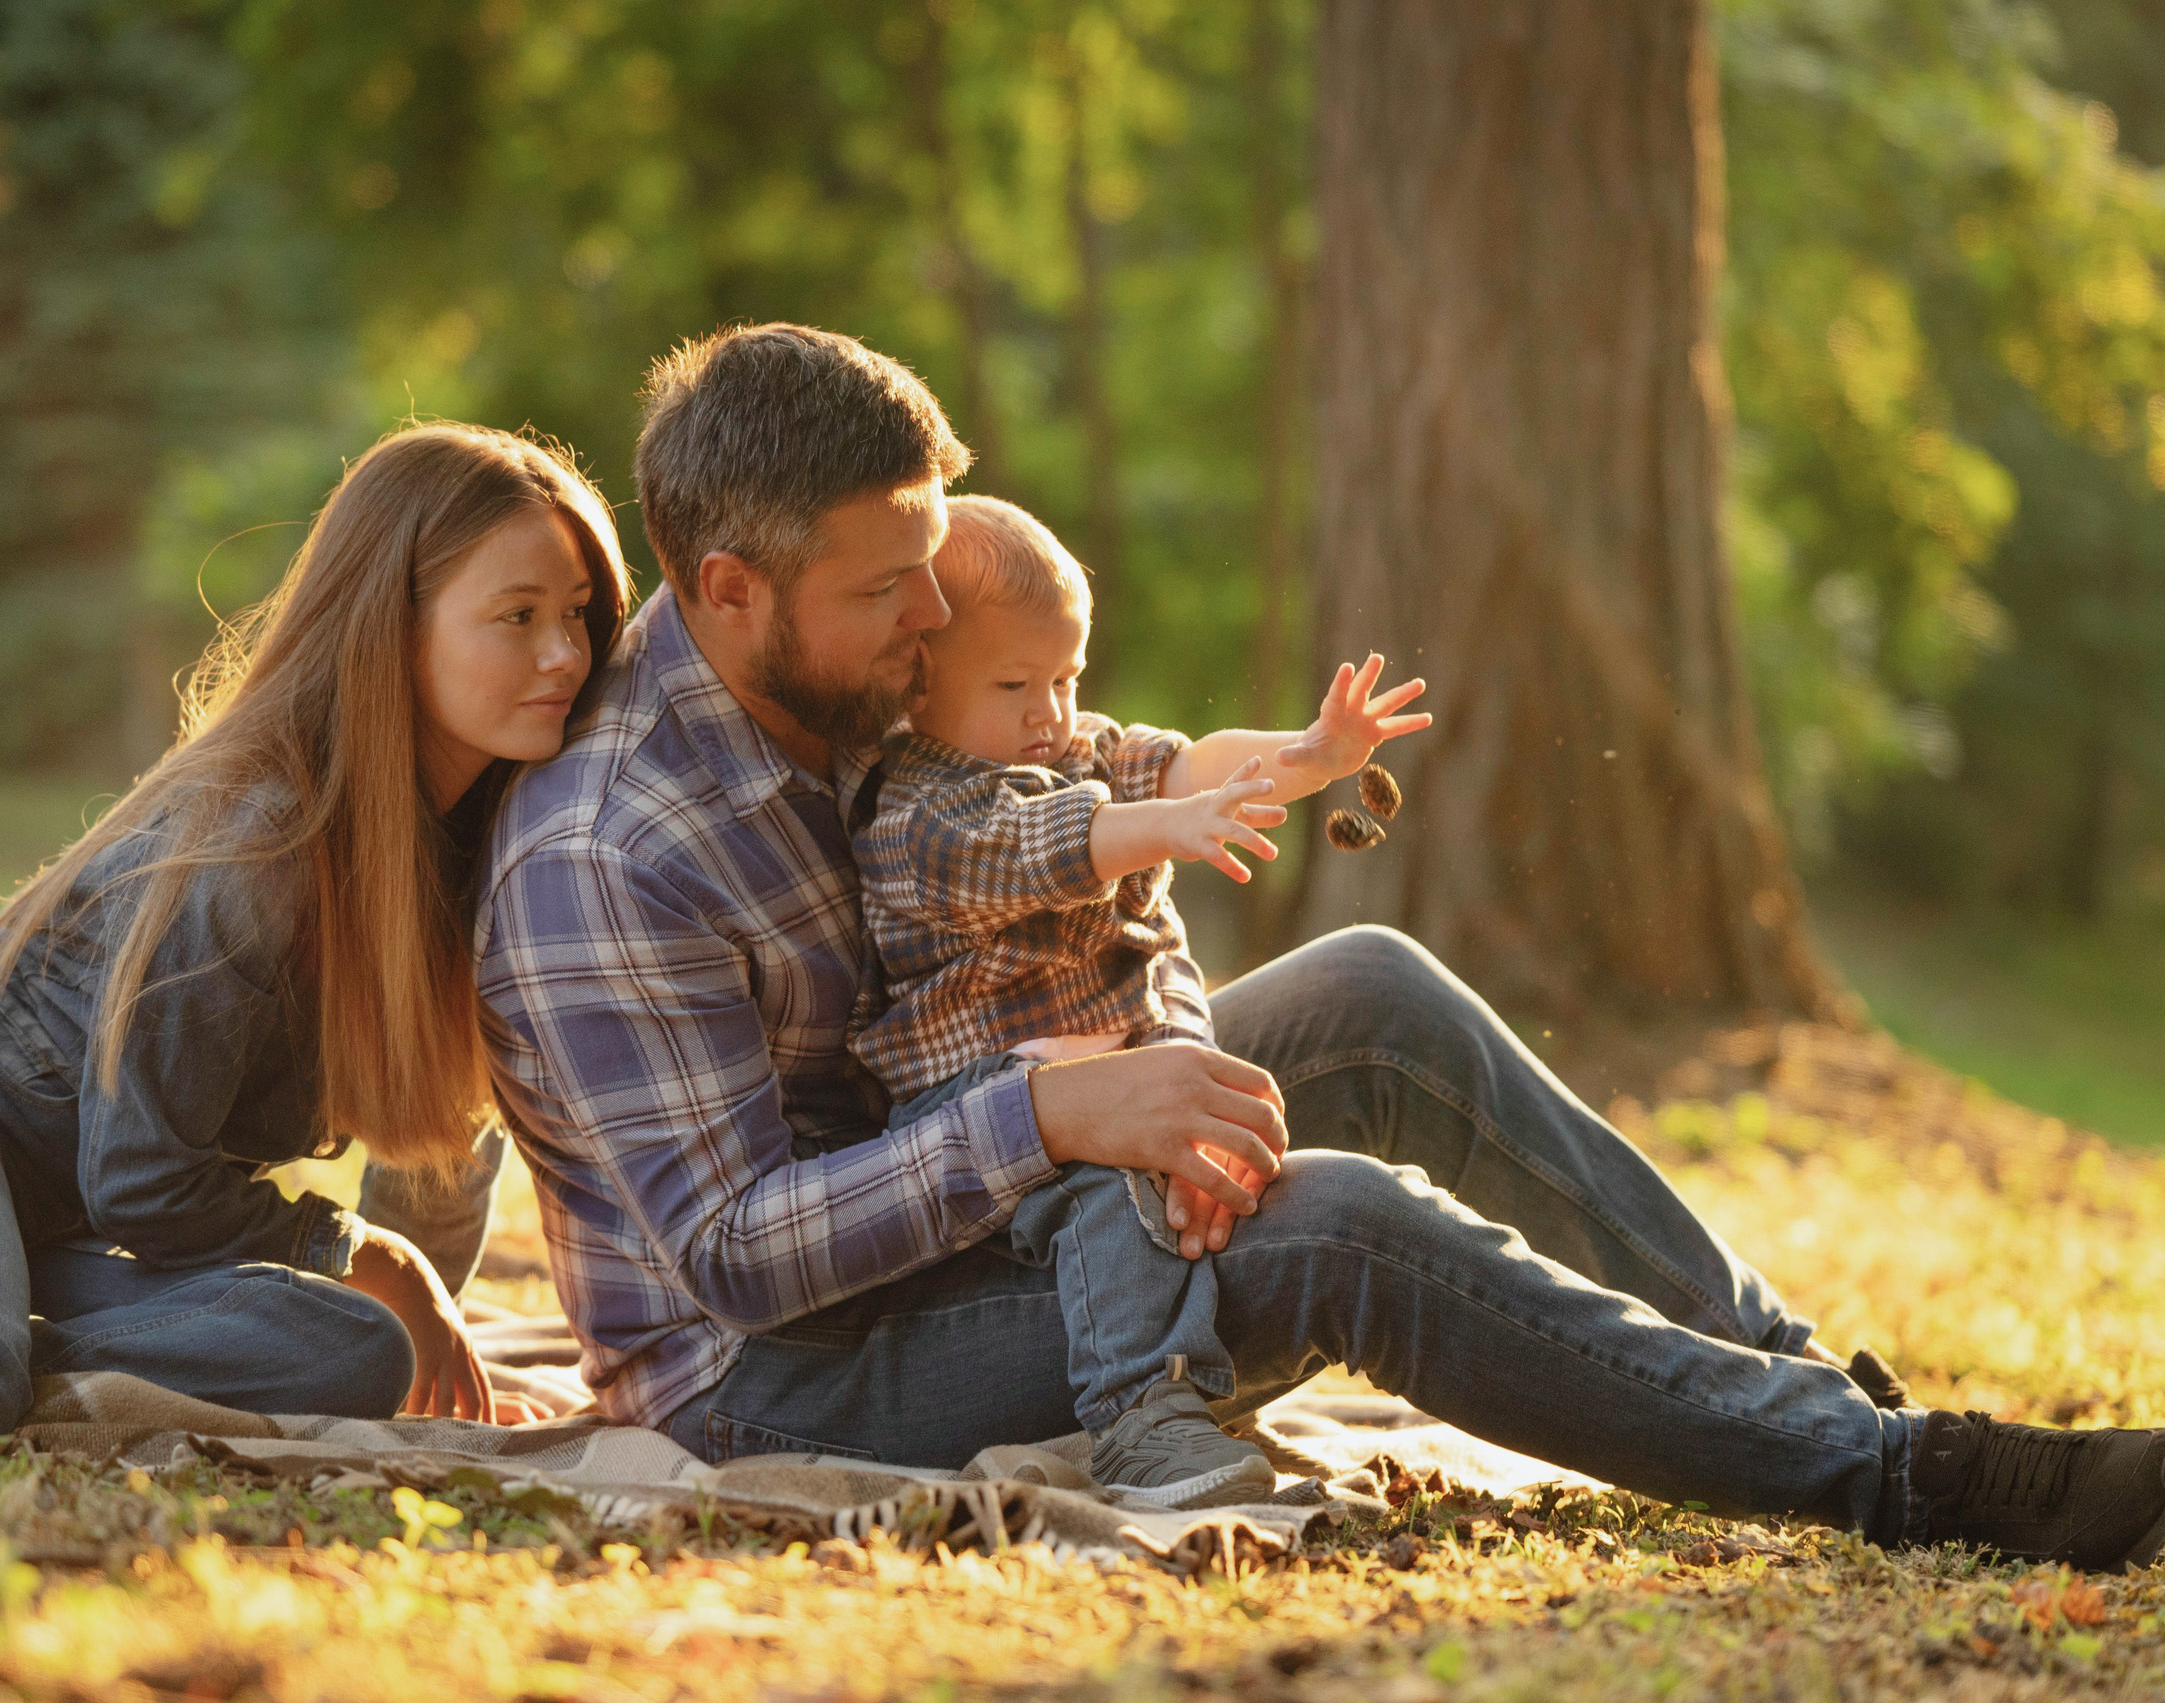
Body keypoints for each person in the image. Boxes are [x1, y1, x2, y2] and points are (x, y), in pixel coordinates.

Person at [475, 321, 2165, 1571]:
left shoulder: (840, 686)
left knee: (1369, 985)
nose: (930, 619)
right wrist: (1059, 1121)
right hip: (799, 1369)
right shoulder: (610, 856)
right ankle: (1908, 1478)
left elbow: (1082, 800)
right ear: (728, 587)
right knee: (1335, 1218)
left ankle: (1795, 1377)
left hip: (973, 1181)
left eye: (929, 570)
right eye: (886, 588)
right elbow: (739, 1255)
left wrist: (1231, 833)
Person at [0, 423, 632, 1448]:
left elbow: (431, 1159)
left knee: (354, 1347)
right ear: (391, 628)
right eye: (517, 615)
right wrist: (362, 1253)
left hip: (65, 1232)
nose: (564, 654)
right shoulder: (262, 843)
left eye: (578, 614)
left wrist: (417, 1326)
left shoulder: (501, 862)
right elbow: (146, 1177)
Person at [848, 494, 1430, 1507]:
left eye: (1066, 677)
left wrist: (1304, 757)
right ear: (920, 674)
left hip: (1111, 1061)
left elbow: (1184, 763)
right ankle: (1138, 1412)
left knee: (1216, 1156)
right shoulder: (918, 811)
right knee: (1107, 1186)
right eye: (1016, 682)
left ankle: (1207, 1383)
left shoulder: (1065, 746)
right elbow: (1052, 845)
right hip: (981, 1100)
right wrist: (1170, 824)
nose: (1052, 711)